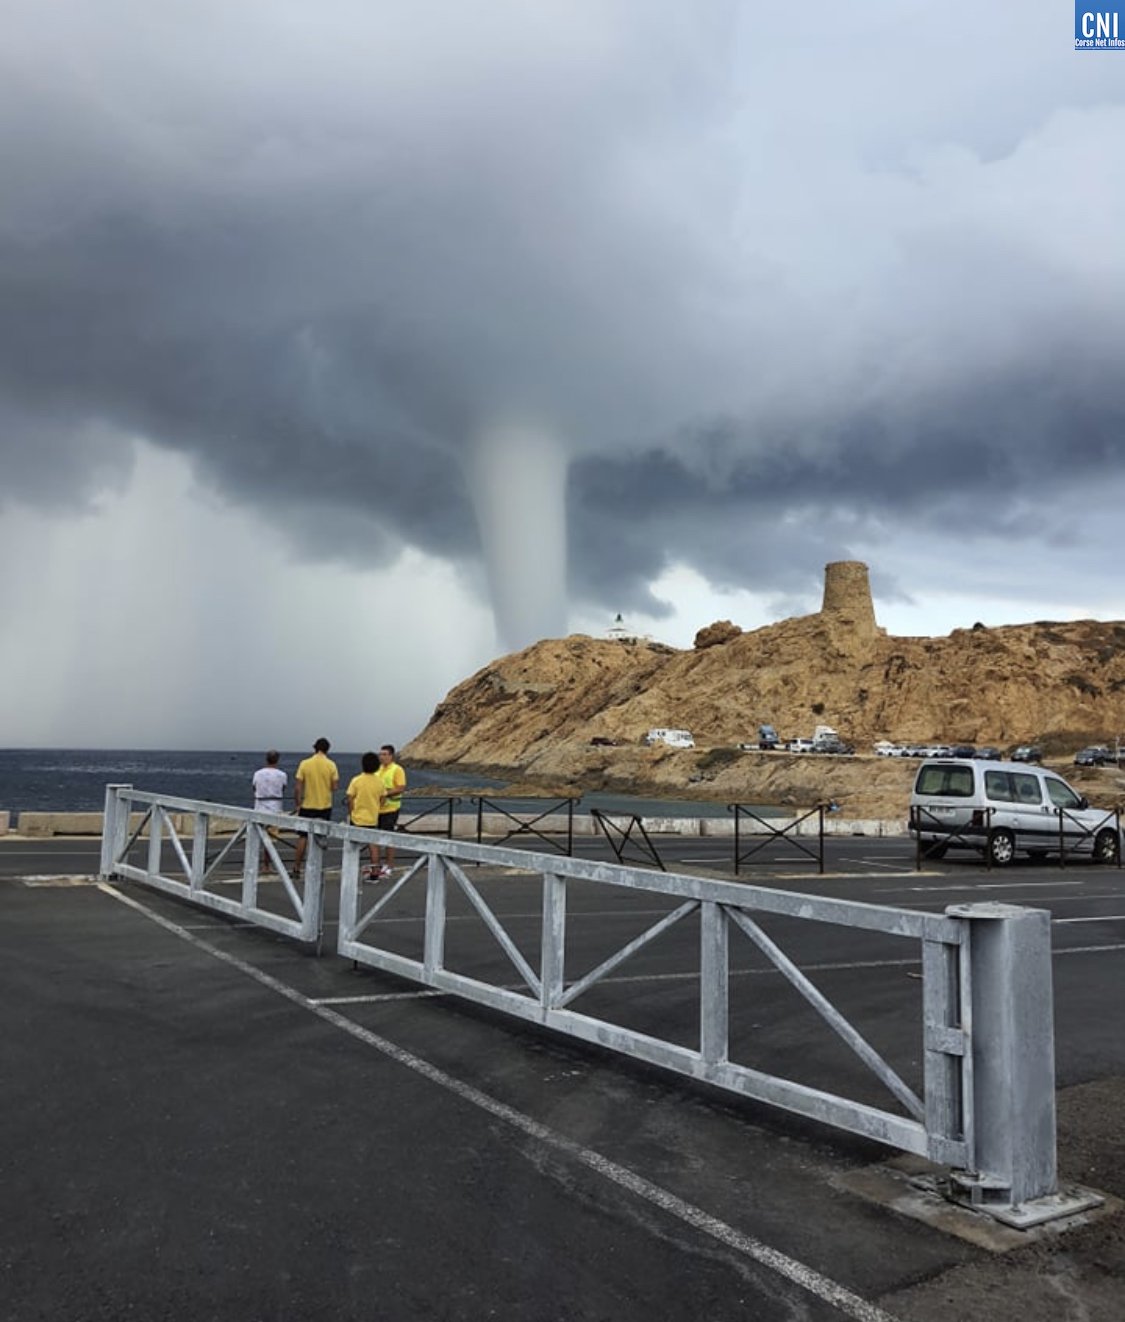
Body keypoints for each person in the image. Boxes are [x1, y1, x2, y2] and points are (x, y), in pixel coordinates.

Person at [293, 738, 339, 877]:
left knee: (303, 837)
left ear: (315, 748)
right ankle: (315, 868)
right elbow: (335, 787)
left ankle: (297, 867)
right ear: (327, 749)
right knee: (320, 837)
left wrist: (298, 804)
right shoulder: (331, 765)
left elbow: (297, 787)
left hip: (308, 804)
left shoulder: (305, 763)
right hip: (324, 805)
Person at [346, 751, 387, 881]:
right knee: (373, 845)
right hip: (372, 818)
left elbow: (350, 798)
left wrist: (352, 812)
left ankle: (350, 872)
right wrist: (376, 808)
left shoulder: (356, 780)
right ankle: (375, 871)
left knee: (353, 846)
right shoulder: (379, 782)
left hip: (357, 818)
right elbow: (383, 798)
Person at [370, 744, 407, 878]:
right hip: (376, 809)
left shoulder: (397, 770)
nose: (382, 757)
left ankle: (389, 865)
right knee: (376, 838)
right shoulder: (377, 770)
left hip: (391, 808)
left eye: (385, 754)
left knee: (388, 837)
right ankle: (376, 865)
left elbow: (401, 787)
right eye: (381, 754)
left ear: (392, 756)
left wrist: (386, 793)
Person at [250, 749, 287, 874]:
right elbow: (283, 789)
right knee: (270, 842)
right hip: (274, 809)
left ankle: (252, 865)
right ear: (277, 760)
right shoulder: (282, 775)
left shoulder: (258, 774)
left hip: (259, 808)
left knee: (255, 839)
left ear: (266, 759)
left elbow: (254, 788)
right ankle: (266, 865)